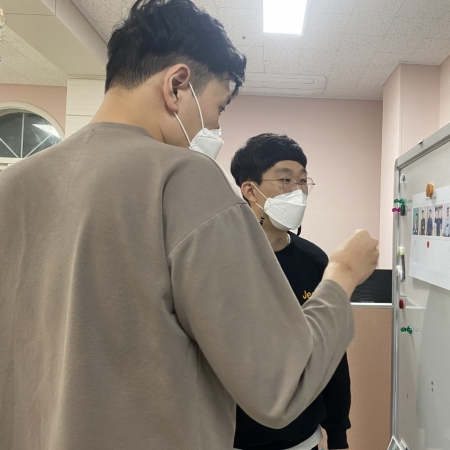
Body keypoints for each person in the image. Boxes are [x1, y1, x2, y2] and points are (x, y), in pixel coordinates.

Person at [0, 1, 379, 449]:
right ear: (177, 85)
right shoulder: (181, 178)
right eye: (218, 106)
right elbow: (282, 383)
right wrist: (343, 274)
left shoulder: (13, 185)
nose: (214, 124)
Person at [230, 134, 351, 450]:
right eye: (285, 180)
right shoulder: (222, 259)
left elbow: (331, 353)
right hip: (233, 436)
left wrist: (338, 434)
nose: (298, 191)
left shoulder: (314, 260)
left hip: (303, 436)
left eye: (303, 181)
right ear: (249, 190)